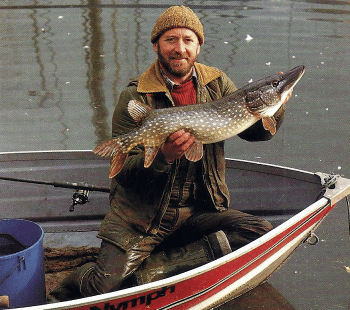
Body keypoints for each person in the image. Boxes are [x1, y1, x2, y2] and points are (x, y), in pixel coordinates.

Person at [48, 5, 286, 301]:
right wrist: (163, 157)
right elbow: (123, 174)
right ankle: (89, 278)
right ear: (156, 45)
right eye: (170, 40)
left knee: (258, 233)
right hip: (142, 217)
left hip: (198, 211)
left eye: (188, 40)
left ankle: (146, 275)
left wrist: (278, 101)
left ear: (198, 45)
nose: (180, 48)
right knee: (102, 289)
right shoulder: (135, 96)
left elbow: (255, 132)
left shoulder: (217, 84)